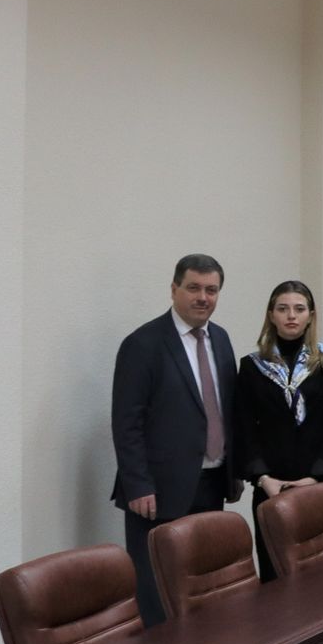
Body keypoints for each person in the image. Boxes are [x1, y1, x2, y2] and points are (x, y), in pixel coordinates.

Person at [111, 255, 242, 625]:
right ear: (174, 289)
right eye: (193, 288)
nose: (203, 297)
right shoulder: (143, 344)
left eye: (211, 290)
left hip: (211, 484)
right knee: (158, 597)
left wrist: (234, 471)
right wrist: (138, 485)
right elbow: (126, 423)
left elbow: (226, 408)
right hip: (157, 494)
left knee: (205, 592)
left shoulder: (220, 338)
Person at [236, 279, 323, 579]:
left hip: (316, 485)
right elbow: (244, 428)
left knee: (322, 574)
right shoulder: (251, 366)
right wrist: (263, 478)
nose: (291, 316)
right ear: (271, 315)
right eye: (283, 309)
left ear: (311, 315)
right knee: (275, 573)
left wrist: (316, 477)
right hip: (270, 487)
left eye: (299, 309)